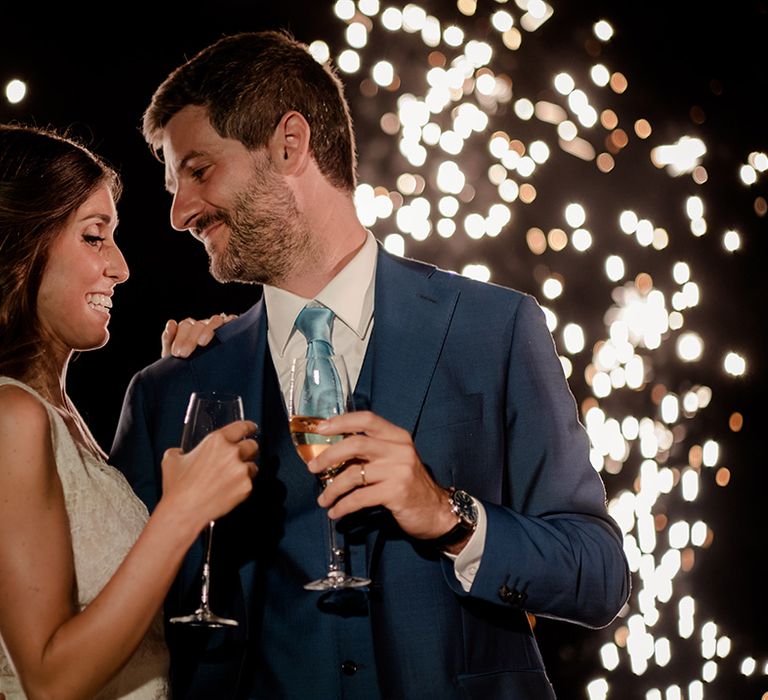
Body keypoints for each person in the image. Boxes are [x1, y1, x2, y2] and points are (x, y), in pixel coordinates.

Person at [111, 30, 631, 699]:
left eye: (199, 170)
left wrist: (450, 516)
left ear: (289, 144)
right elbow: (127, 616)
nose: (180, 213)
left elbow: (600, 577)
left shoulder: (494, 328)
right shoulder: (172, 387)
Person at [0, 124, 258, 699]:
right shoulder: (11, 416)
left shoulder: (60, 415)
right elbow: (48, 679)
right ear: (22, 247)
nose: (120, 267)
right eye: (95, 237)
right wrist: (183, 509)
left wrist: (180, 379)